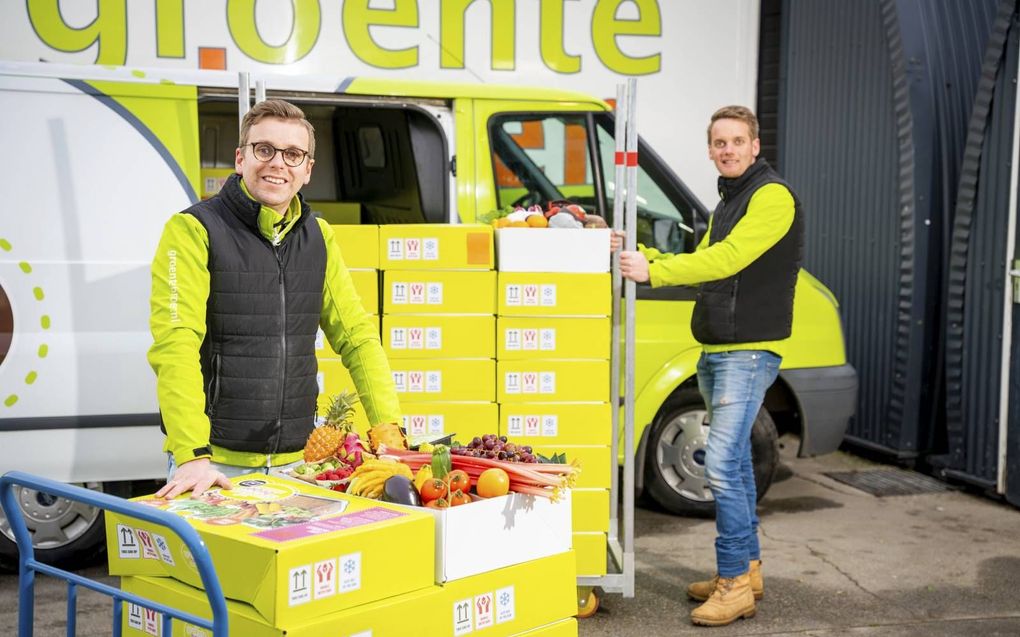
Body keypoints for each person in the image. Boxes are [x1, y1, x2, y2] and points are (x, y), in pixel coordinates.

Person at [148, 99, 400, 500]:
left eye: (293, 154)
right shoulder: (193, 230)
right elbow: (175, 344)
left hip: (301, 462)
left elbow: (357, 337)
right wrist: (193, 453)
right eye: (263, 149)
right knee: (216, 565)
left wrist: (389, 428)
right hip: (215, 465)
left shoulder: (318, 236)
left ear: (307, 170)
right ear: (240, 158)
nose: (277, 163)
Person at [614, 105, 803, 627]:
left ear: (755, 145)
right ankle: (748, 568)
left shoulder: (771, 198)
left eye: (737, 141)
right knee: (737, 465)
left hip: (747, 351)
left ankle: (734, 584)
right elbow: (702, 262)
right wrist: (638, 252)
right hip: (719, 349)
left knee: (718, 466)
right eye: (719, 142)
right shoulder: (730, 202)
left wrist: (652, 271)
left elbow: (726, 260)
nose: (728, 150)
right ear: (711, 149)